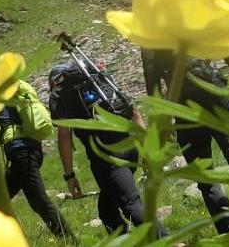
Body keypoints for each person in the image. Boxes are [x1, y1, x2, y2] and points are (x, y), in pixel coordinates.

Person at [141, 49, 229, 245]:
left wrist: (166, 116)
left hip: (183, 105)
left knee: (206, 179)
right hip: (214, 91)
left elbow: (152, 76)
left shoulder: (152, 27)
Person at [48, 60, 152, 236]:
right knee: (107, 211)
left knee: (130, 204)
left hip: (106, 157)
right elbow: (134, 113)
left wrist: (70, 175)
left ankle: (169, 241)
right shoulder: (99, 82)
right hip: (130, 148)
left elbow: (64, 135)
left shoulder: (60, 94)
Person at [0, 78, 70, 238]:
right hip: (30, 149)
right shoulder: (13, 86)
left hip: (22, 153)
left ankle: (70, 240)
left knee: (39, 201)